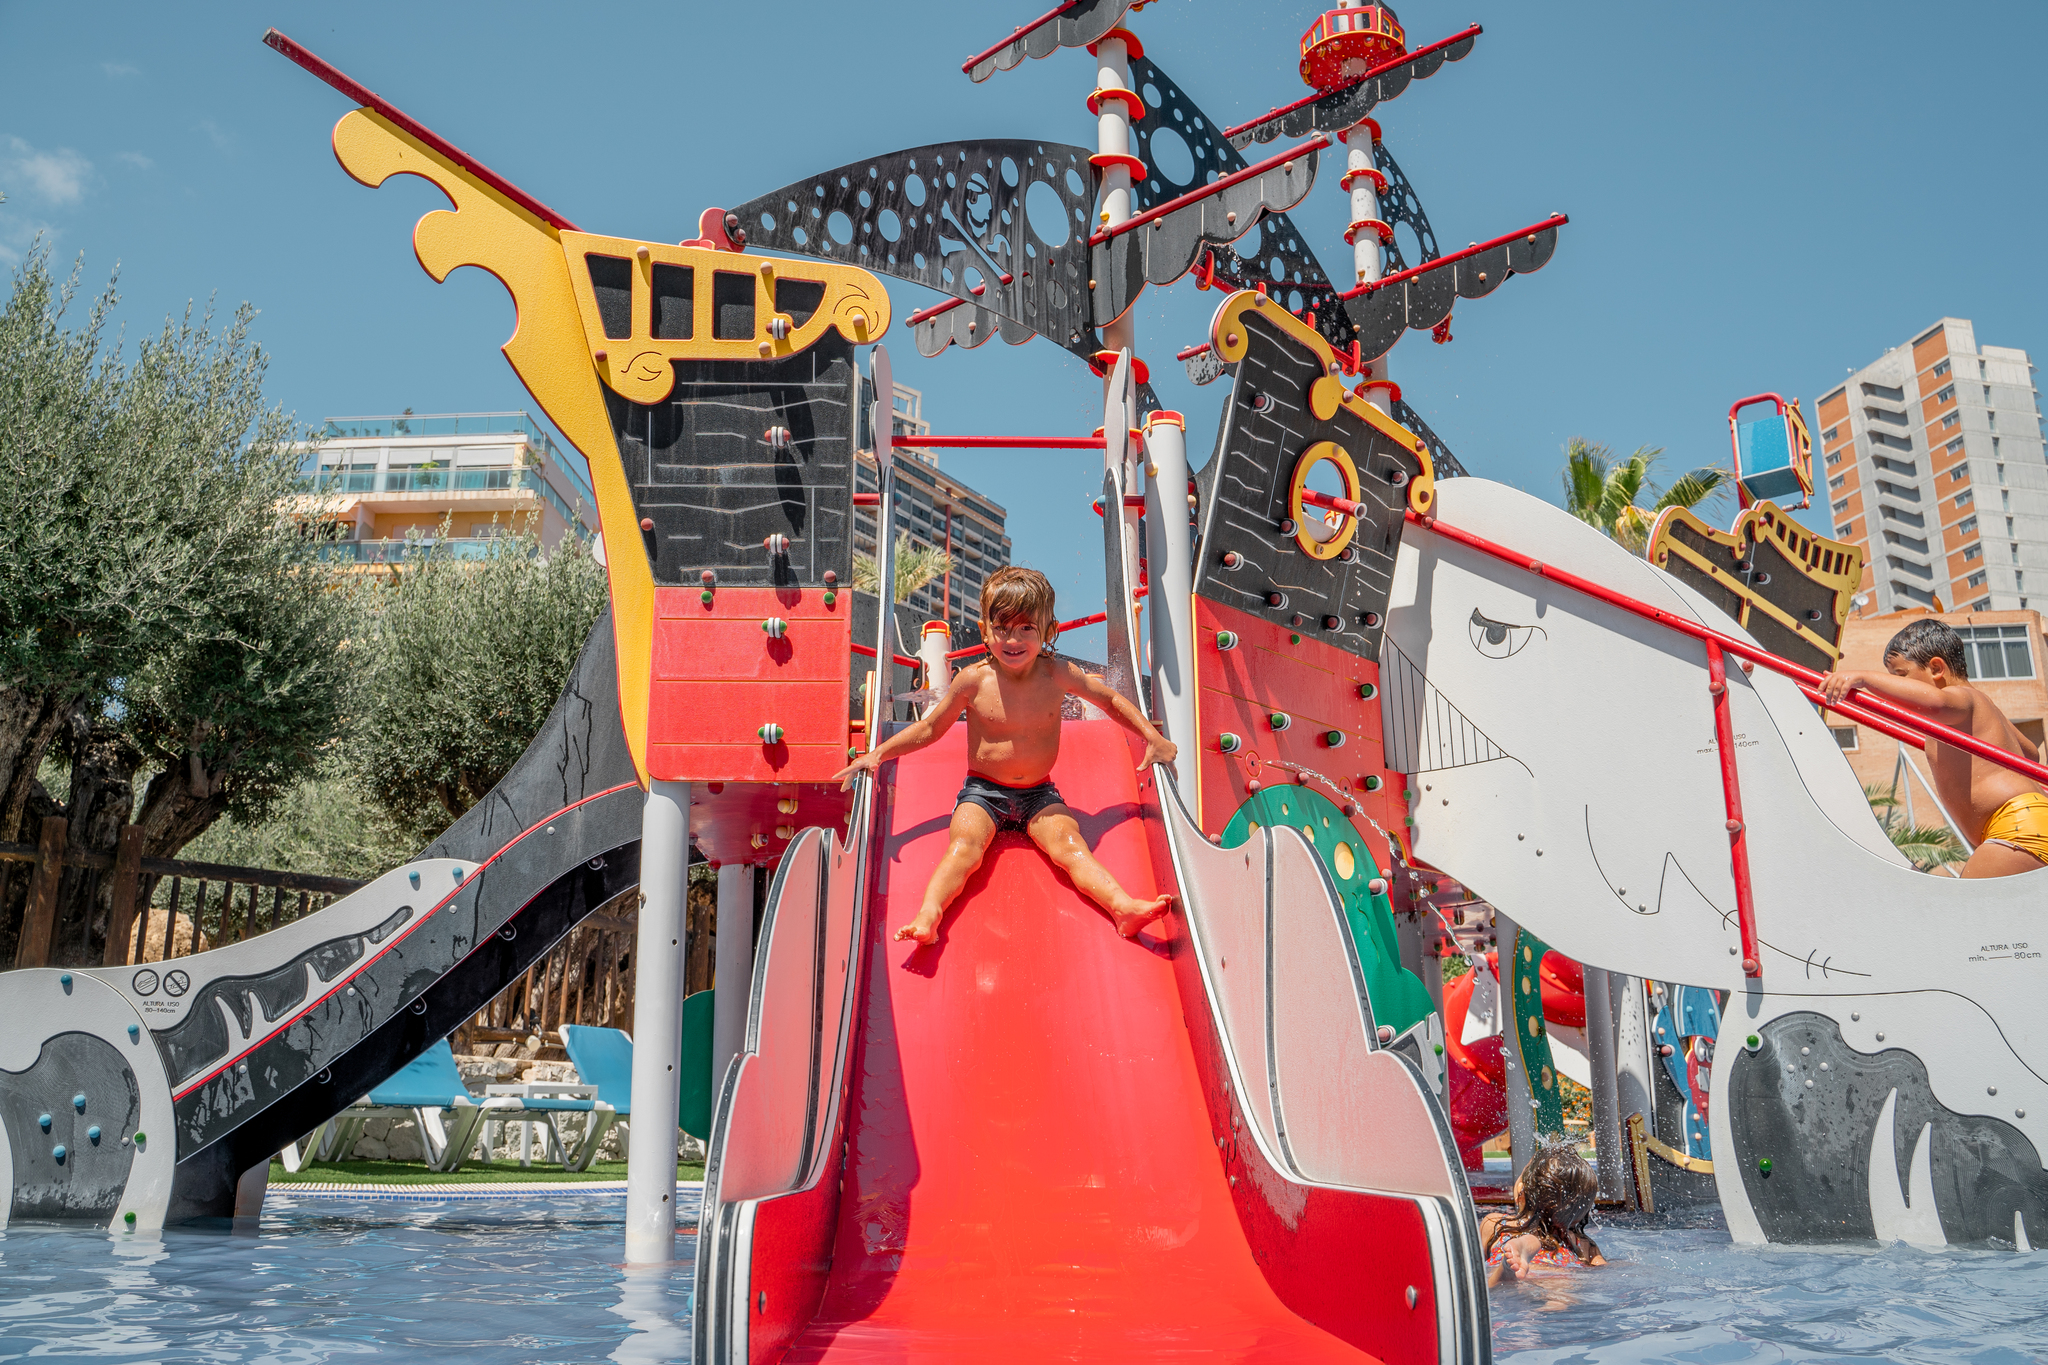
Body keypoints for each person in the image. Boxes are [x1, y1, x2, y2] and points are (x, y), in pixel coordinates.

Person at [833, 566, 1178, 945]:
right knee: (964, 848)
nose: (1013, 639)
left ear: (1049, 631)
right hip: (983, 792)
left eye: (1026, 628)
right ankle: (929, 915)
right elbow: (930, 728)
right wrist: (878, 755)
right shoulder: (973, 680)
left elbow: (1109, 700)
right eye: (1002, 628)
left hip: (1039, 793)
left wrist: (1151, 737)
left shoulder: (1058, 674)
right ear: (984, 631)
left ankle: (1122, 907)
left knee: (1070, 845)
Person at [1820, 618, 2047, 877]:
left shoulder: (1961, 697)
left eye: (1901, 676)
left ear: (1936, 668)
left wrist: (1864, 679)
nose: (1897, 687)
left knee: (1964, 902)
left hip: (2017, 825)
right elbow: (2030, 753)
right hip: (2027, 820)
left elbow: (1936, 702)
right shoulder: (1981, 709)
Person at [1480, 1140, 1605, 1286]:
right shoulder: (1582, 1244)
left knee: (1492, 1286)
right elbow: (1604, 1273)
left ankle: (1507, 1268)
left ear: (1521, 1190)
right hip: (1559, 1271)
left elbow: (1472, 1264)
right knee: (1561, 1291)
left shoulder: (1496, 1225)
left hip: (1511, 1263)